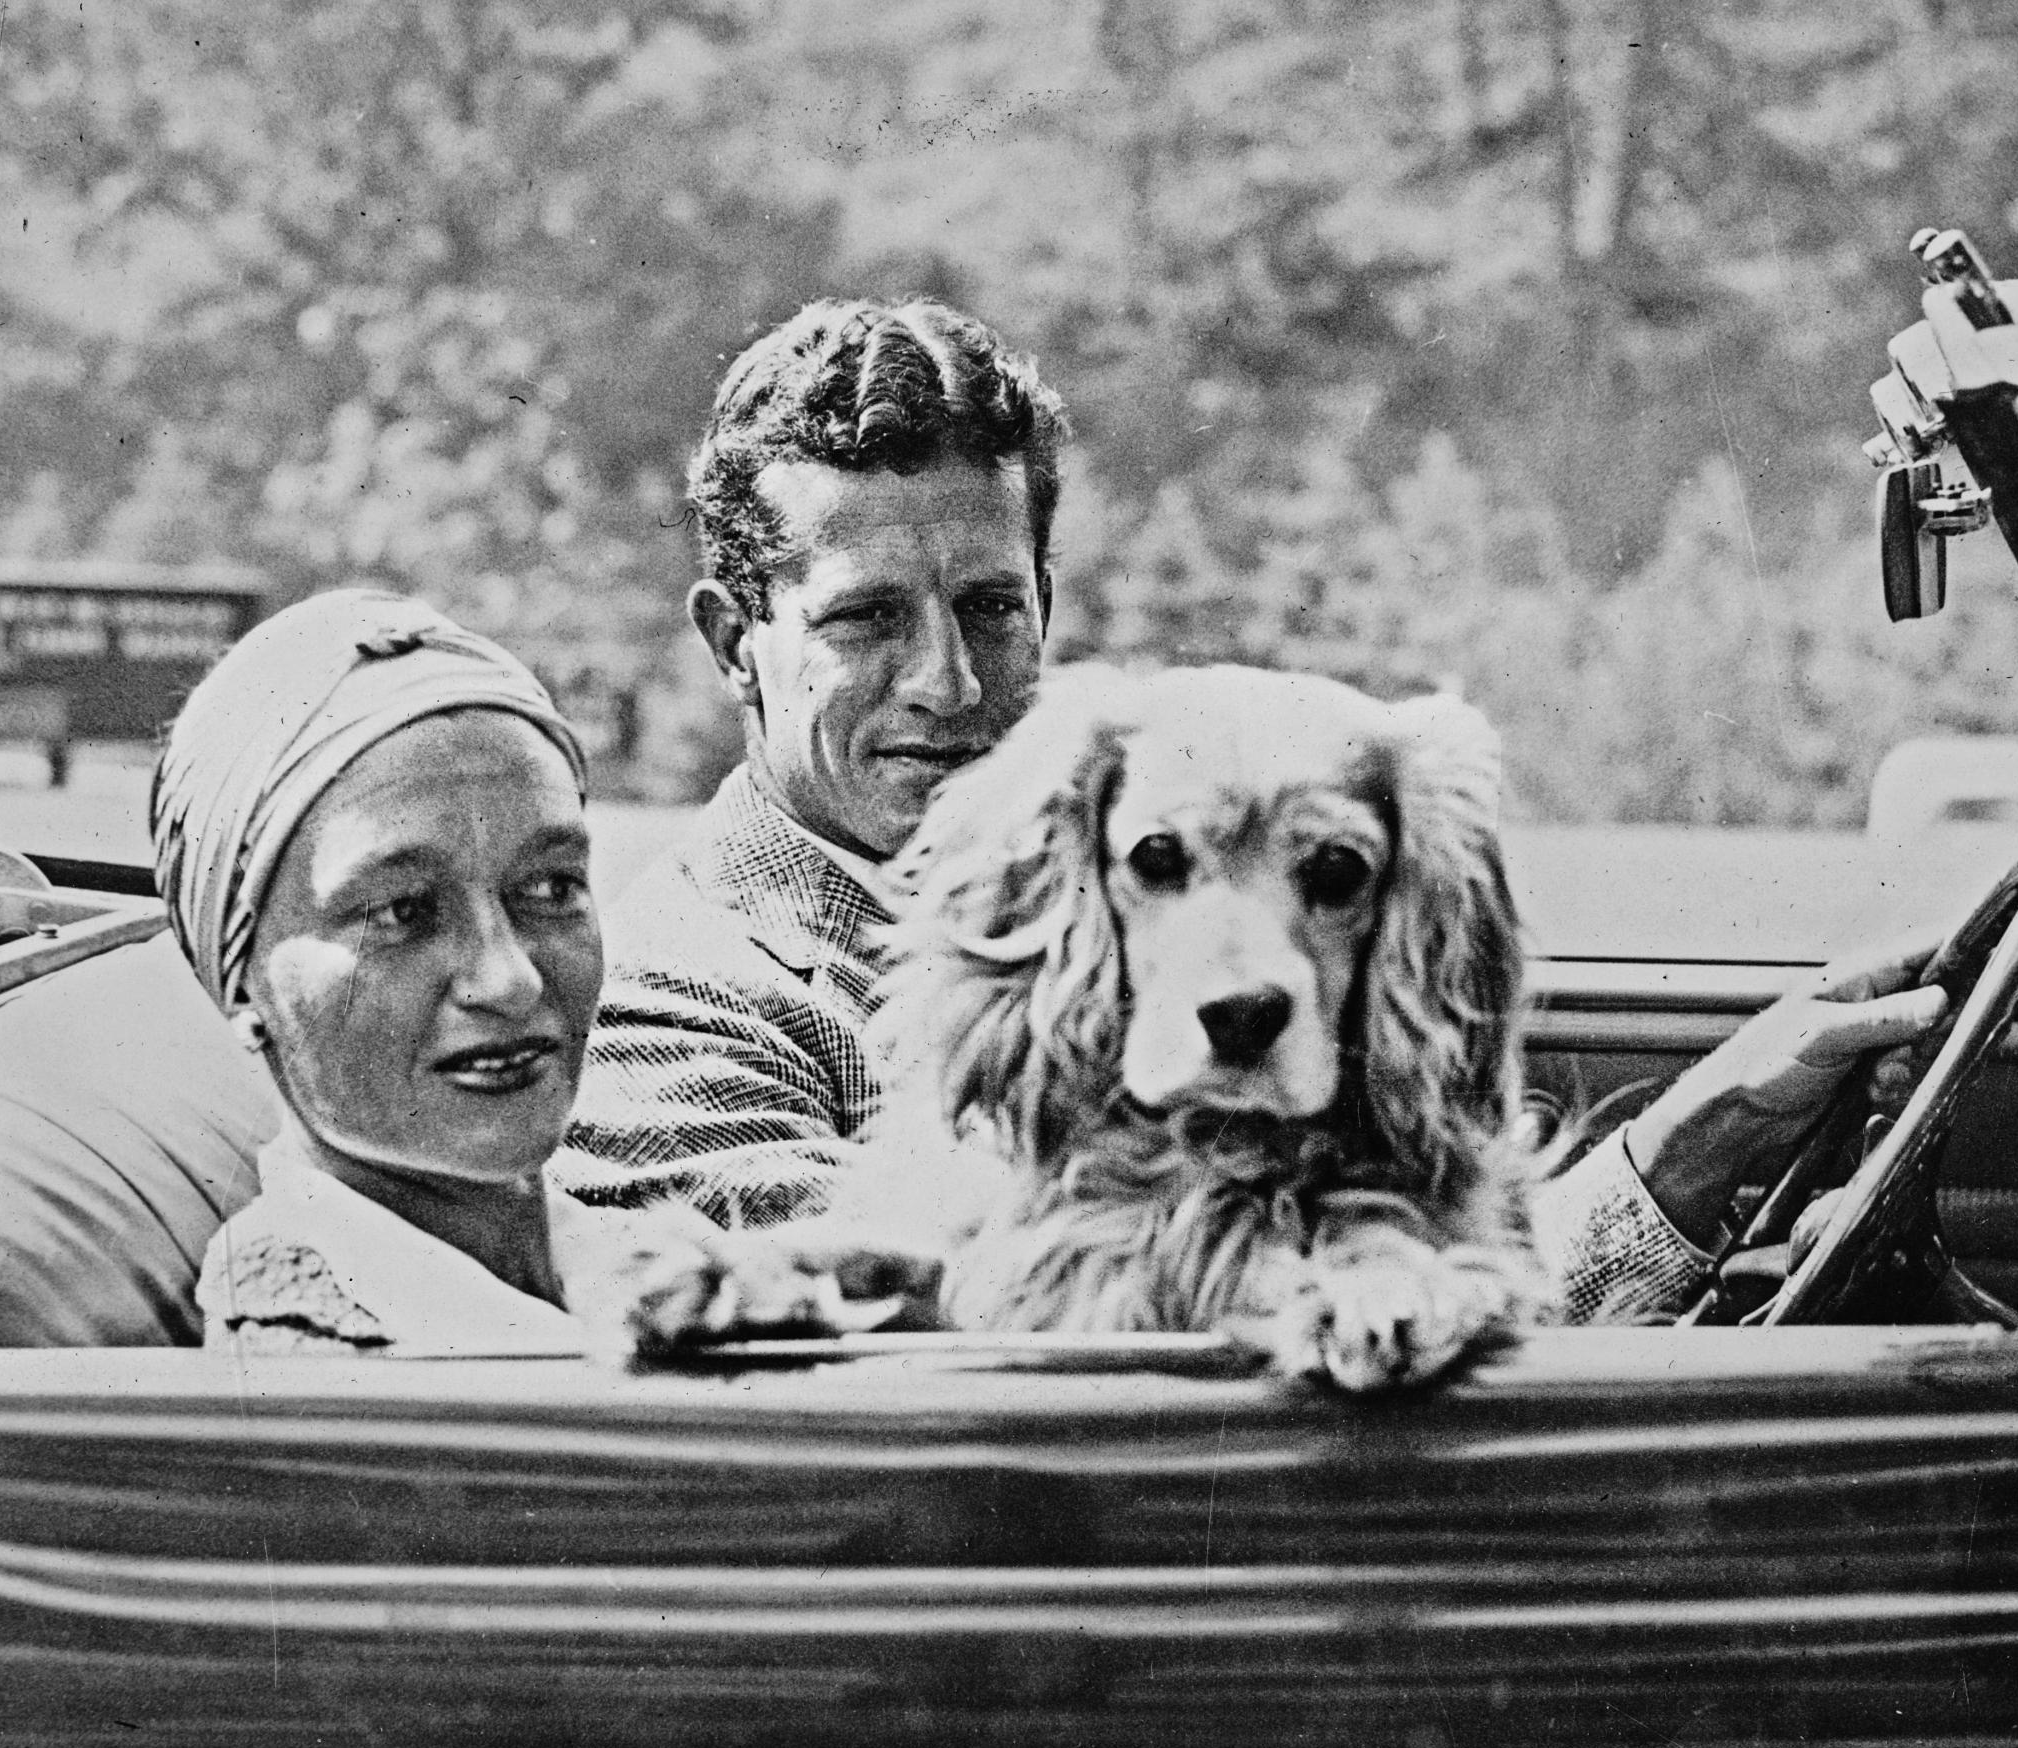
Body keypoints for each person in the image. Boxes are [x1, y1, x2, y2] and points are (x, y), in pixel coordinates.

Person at [558, 300, 1946, 1319]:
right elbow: (1001, 1338)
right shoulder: (673, 1003)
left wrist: (1710, 1139)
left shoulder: (1075, 860)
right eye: (866, 619)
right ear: (734, 638)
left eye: (993, 606)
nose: (951, 679)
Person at [154, 588, 897, 1357]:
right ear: (243, 982)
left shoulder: (639, 1262)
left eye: (549, 890)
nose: (509, 980)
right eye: (402, 911)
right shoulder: (315, 1371)